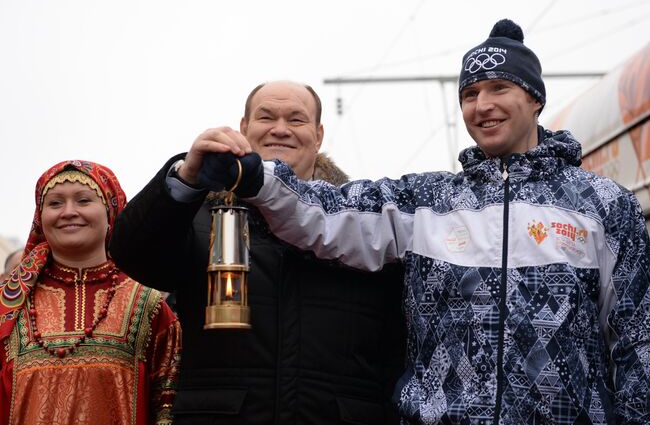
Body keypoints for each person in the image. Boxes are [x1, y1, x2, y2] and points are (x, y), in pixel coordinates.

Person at [186, 21, 650, 425]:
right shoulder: (428, 201)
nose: (482, 105)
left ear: (534, 99)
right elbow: (325, 212)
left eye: (498, 88)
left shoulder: (603, 206)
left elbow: (637, 338)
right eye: (470, 94)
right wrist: (252, 176)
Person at [109, 81, 406, 424]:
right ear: (244, 128)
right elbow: (131, 254)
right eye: (267, 117)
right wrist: (187, 176)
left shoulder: (360, 225)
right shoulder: (200, 216)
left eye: (296, 120)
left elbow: (396, 354)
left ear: (319, 134)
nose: (280, 129)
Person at [0, 160, 181, 425]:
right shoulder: (9, 305)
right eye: (55, 203)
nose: (69, 212)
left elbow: (167, 409)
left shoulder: (147, 305)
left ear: (111, 212)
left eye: (83, 201)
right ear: (40, 218)